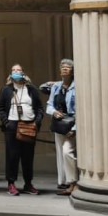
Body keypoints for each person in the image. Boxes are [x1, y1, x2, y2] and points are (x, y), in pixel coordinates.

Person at [0, 62, 44, 196]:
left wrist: (36, 122)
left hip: (29, 125)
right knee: (12, 156)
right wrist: (7, 123)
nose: (16, 72)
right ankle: (11, 184)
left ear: (23, 73)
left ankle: (28, 184)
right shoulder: (6, 90)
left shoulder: (31, 89)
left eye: (18, 70)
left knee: (28, 156)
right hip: (12, 125)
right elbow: (0, 109)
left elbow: (40, 108)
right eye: (13, 70)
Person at [43, 59, 77, 195]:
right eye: (63, 67)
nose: (65, 69)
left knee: (67, 152)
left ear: (72, 71)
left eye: (68, 67)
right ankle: (67, 183)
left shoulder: (76, 86)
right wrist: (54, 112)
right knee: (61, 155)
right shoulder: (56, 86)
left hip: (72, 125)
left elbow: (81, 110)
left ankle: (74, 183)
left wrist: (74, 129)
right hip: (60, 125)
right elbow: (49, 104)